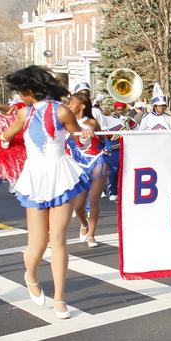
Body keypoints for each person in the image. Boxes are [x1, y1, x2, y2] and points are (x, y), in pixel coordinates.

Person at [0, 66, 92, 320]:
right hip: (35, 179)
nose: (19, 95)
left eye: (21, 91)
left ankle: (60, 298)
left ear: (30, 90)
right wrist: (6, 138)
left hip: (60, 176)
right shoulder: (23, 114)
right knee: (37, 243)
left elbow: (78, 139)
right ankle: (30, 273)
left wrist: (85, 135)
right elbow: (5, 137)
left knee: (59, 239)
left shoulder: (62, 111)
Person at [67, 92, 109, 248]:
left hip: (97, 162)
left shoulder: (91, 122)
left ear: (82, 106)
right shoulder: (66, 122)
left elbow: (105, 140)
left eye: (72, 103)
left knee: (94, 200)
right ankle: (84, 225)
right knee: (78, 206)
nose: (69, 106)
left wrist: (107, 148)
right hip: (78, 165)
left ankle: (91, 234)